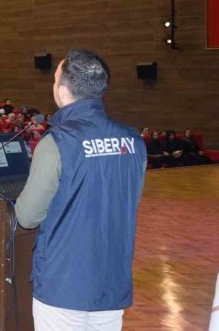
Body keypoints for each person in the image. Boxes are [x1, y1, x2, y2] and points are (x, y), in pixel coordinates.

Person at [15, 49, 146, 329]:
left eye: (54, 80)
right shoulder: (133, 140)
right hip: (112, 281)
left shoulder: (57, 142)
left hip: (63, 284)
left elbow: (27, 216)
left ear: (62, 90)